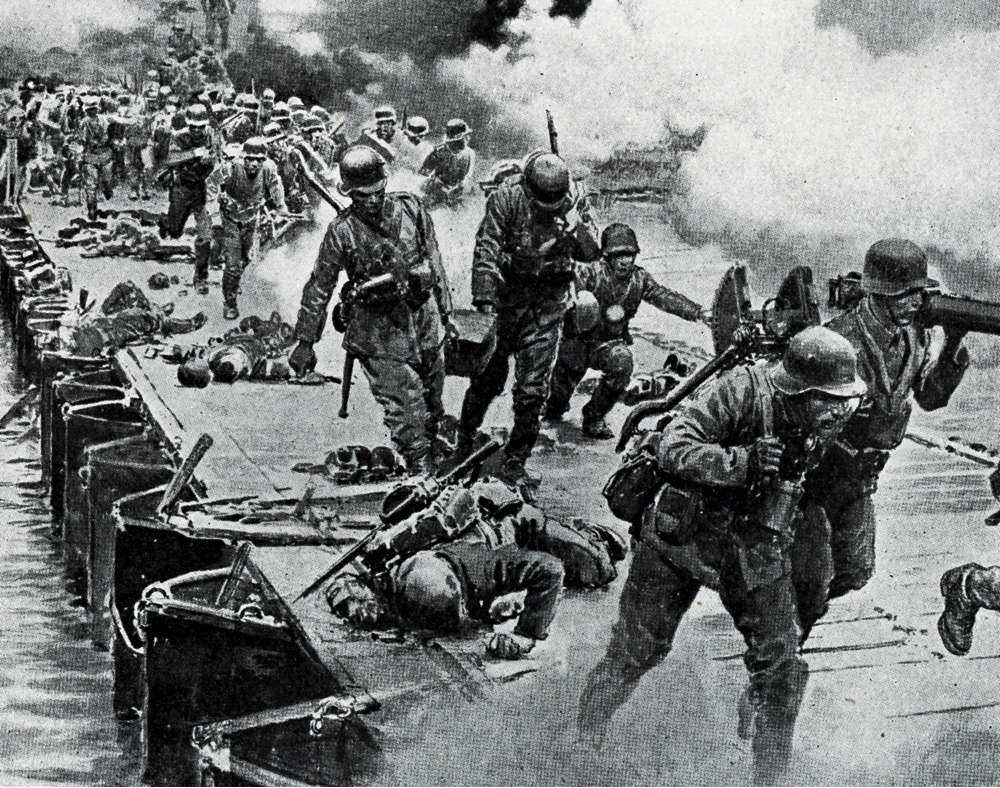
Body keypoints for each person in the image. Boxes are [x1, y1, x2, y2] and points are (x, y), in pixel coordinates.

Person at [577, 326, 867, 784]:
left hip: (754, 547)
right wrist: (742, 463)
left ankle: (770, 779)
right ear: (799, 391)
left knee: (781, 670)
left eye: (845, 401)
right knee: (637, 650)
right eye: (829, 400)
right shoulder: (742, 392)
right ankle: (583, 738)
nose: (839, 411)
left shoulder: (826, 422)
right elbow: (675, 446)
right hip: (681, 540)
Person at [804, 238, 969, 613]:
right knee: (812, 575)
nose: (916, 302)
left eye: (919, 294)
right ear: (879, 292)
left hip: (859, 476)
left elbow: (930, 398)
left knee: (856, 570)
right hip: (818, 473)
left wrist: (953, 345)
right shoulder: (838, 340)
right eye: (906, 294)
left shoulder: (916, 336)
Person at [288, 145, 456, 474]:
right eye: (363, 195)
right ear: (350, 193)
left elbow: (434, 259)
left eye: (378, 191)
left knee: (433, 399)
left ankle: (434, 455)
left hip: (423, 319)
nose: (373, 200)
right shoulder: (341, 231)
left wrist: (447, 314)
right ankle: (420, 465)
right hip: (377, 329)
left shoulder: (411, 208)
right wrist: (305, 342)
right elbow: (320, 285)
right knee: (405, 402)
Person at [327, 480, 626, 657]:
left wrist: (525, 637)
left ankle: (588, 533)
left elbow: (550, 569)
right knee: (588, 568)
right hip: (497, 538)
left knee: (598, 568)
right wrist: (354, 601)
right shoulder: (400, 575)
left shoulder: (477, 567)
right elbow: (346, 577)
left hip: (513, 518)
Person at [457, 151, 600, 490]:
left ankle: (516, 460)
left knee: (532, 391)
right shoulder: (506, 199)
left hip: (547, 306)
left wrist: (577, 228)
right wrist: (484, 302)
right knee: (488, 379)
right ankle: (463, 442)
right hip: (507, 302)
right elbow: (486, 249)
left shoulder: (575, 200)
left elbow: (592, 253)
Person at [546, 223, 706, 438]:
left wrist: (698, 312)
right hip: (578, 342)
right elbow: (562, 293)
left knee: (622, 363)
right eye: (618, 255)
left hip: (609, 344)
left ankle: (594, 416)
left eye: (629, 255)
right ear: (607, 257)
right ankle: (554, 407)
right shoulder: (590, 273)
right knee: (556, 402)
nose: (624, 261)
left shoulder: (639, 279)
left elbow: (663, 296)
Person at [207, 137, 288, 319]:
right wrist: (214, 214)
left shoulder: (268, 168)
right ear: (243, 157)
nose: (254, 164)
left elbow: (275, 185)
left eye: (259, 160)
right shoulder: (230, 167)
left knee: (247, 258)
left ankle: (233, 281)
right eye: (250, 159)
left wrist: (281, 206)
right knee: (233, 265)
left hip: (251, 220)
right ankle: (230, 302)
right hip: (230, 219)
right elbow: (210, 185)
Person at [158, 103, 218, 294]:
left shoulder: (212, 135)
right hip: (181, 187)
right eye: (193, 127)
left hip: (202, 189)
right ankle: (166, 222)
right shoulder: (179, 136)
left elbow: (219, 157)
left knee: (205, 235)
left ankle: (200, 277)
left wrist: (210, 160)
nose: (197, 131)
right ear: (188, 125)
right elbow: (170, 159)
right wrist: (193, 153)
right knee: (174, 230)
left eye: (201, 127)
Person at [419, 118, 476, 207]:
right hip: (436, 193)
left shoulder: (470, 154)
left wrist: (459, 188)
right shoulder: (438, 152)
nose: (459, 144)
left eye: (461, 141)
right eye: (455, 142)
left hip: (457, 196)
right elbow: (423, 174)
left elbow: (468, 177)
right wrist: (435, 184)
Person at [78, 95, 114, 221]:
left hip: (104, 154)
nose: (92, 111)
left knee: (107, 180)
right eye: (89, 110)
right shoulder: (83, 122)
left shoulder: (103, 120)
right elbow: (81, 139)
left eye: (93, 109)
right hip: (90, 156)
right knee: (90, 185)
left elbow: (109, 132)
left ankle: (107, 189)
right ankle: (91, 210)